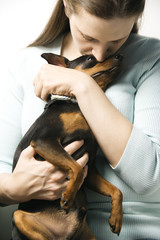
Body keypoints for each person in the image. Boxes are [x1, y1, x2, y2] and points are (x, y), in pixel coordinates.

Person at [0, 0, 160, 239]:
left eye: (117, 41)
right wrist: (16, 187)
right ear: (67, 5)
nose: (100, 54)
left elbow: (150, 178)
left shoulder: (151, 58)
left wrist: (81, 84)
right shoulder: (23, 64)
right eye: (89, 37)